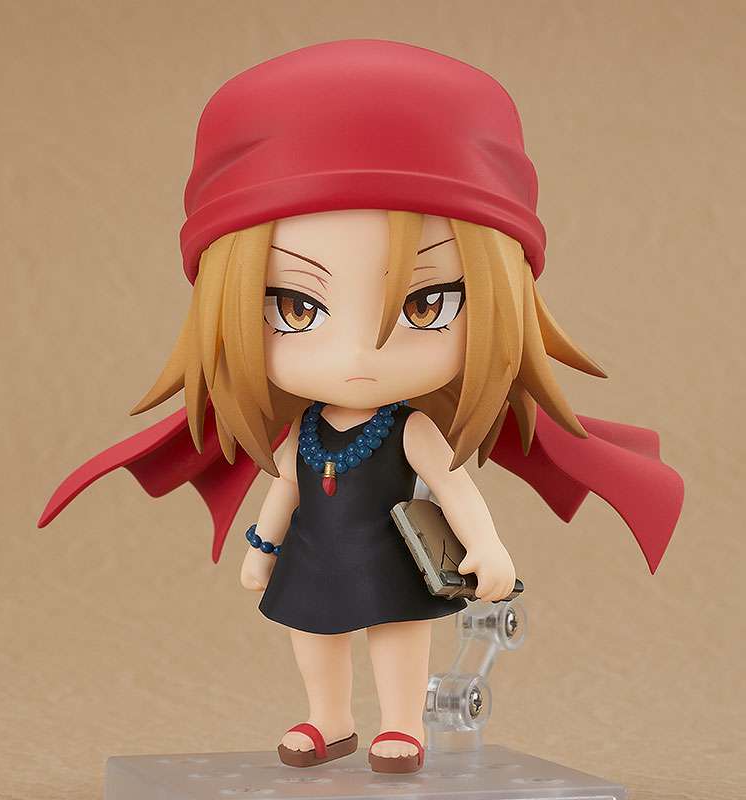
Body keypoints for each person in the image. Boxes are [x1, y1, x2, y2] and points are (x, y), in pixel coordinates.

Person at [38, 40, 684, 774]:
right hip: (313, 555)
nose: (358, 353)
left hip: (388, 558)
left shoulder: (411, 429)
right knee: (312, 634)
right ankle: (330, 718)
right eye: (296, 307)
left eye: (425, 303)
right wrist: (262, 549)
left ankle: (401, 724)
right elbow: (283, 489)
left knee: (398, 631)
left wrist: (488, 547)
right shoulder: (302, 431)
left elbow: (456, 489)